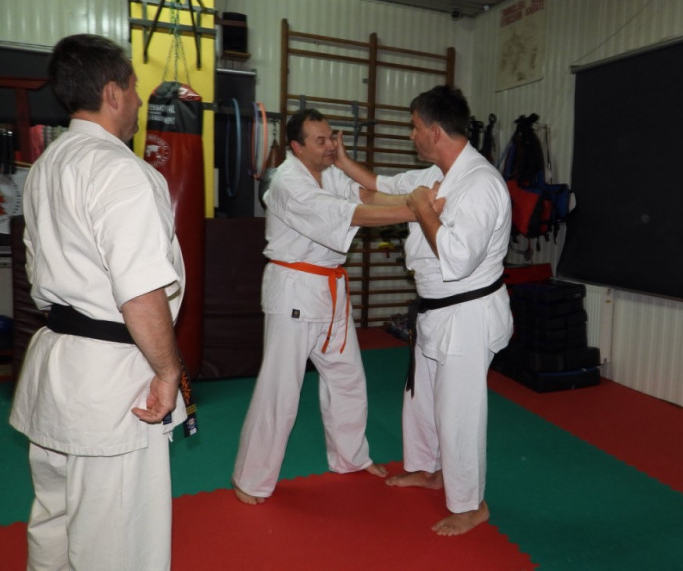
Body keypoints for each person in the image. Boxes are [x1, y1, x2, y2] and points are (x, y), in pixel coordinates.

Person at [8, 34, 188, 570]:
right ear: (112, 92)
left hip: (57, 365)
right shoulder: (121, 171)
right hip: (112, 381)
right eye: (133, 87)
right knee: (118, 540)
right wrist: (168, 371)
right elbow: (140, 290)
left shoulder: (47, 165)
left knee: (56, 517)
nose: (138, 100)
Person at [336, 85, 513, 536]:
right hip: (436, 312)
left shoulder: (480, 185)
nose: (411, 134)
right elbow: (380, 185)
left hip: (468, 315)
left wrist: (419, 208)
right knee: (423, 401)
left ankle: (471, 505)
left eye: (415, 127)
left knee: (459, 412)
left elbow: (458, 259)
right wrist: (341, 160)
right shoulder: (438, 173)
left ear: (435, 130)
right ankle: (431, 470)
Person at [232, 108, 416, 505]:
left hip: (330, 290)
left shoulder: (330, 173)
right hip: (294, 290)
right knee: (281, 389)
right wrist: (413, 210)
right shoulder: (288, 183)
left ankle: (350, 457)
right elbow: (346, 213)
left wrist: (410, 199)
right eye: (321, 140)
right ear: (297, 147)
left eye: (332, 136)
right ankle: (251, 478)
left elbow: (365, 195)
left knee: (347, 378)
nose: (331, 145)